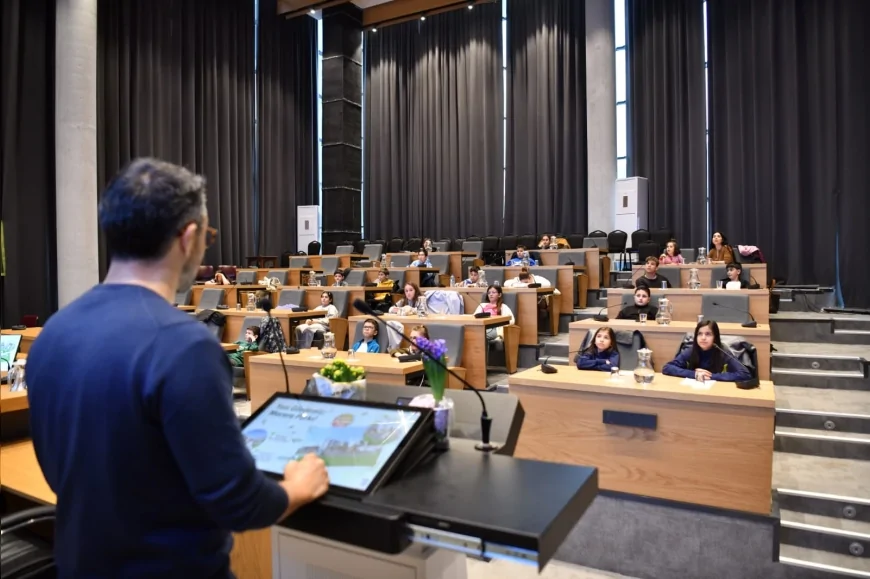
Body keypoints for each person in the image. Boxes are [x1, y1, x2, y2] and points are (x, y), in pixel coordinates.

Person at [24, 158, 328, 577]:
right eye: (208, 236)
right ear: (188, 237)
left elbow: (62, 474)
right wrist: (298, 486)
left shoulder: (53, 333)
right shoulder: (183, 345)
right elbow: (238, 503)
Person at [663, 320, 752, 382]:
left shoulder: (722, 351)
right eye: (699, 334)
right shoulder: (691, 350)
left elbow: (745, 374)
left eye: (708, 334)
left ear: (715, 337)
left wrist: (711, 376)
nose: (703, 338)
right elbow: (667, 368)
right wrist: (694, 374)